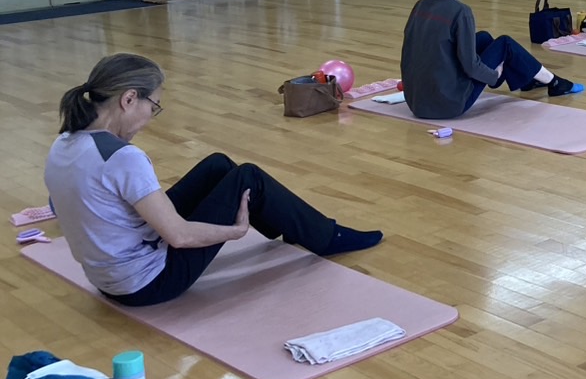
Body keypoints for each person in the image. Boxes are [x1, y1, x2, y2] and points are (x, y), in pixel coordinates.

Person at [42, 54, 383, 308]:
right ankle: (326, 237)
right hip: (148, 283)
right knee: (249, 177)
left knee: (218, 166)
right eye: (153, 106)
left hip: (107, 278)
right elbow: (178, 236)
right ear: (129, 99)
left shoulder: (64, 142)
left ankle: (289, 225)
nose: (150, 118)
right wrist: (235, 232)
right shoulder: (123, 158)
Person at [401, 0, 582, 119]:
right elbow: (470, 65)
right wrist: (494, 76)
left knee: (484, 38)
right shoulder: (461, 12)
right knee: (505, 44)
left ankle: (528, 78)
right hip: (449, 104)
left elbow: (409, 55)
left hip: (417, 102)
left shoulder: (420, 6)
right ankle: (555, 82)